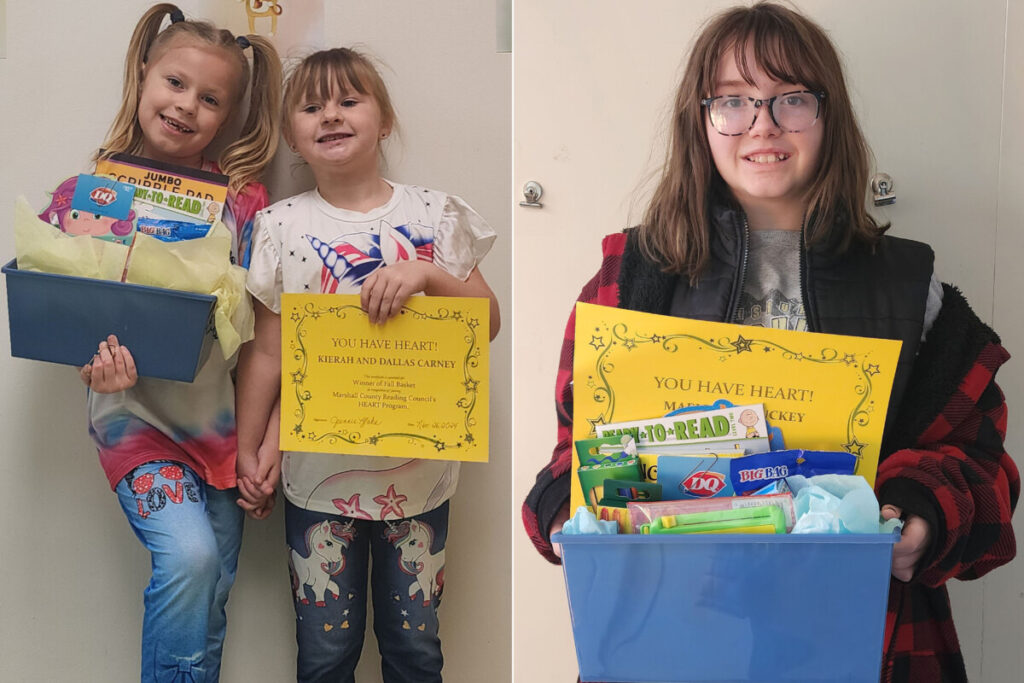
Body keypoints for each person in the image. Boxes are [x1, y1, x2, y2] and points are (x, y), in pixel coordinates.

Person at [521, 3, 1018, 681]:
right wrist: (566, 516)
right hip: (671, 634)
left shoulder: (906, 285)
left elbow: (982, 464)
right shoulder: (631, 278)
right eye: (732, 100)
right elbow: (569, 463)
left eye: (791, 99)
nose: (761, 124)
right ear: (699, 121)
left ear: (828, 114)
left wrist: (921, 514)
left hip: (867, 638)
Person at [235, 47, 500, 682]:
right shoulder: (279, 226)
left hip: (421, 477)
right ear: (292, 135)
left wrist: (428, 272)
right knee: (326, 653)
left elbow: (486, 323)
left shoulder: (434, 215)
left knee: (415, 650)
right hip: (315, 476)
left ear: (383, 120)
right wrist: (250, 447)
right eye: (310, 106)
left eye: (348, 100)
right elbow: (268, 351)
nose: (330, 115)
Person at [38, 4, 282, 681]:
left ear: (229, 114)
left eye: (210, 99)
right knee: (191, 558)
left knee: (208, 600)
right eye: (175, 83)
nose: (186, 106)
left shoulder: (241, 203)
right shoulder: (89, 192)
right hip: (134, 423)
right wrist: (91, 366)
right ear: (144, 73)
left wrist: (265, 442)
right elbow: (53, 307)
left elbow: (269, 328)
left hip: (222, 431)